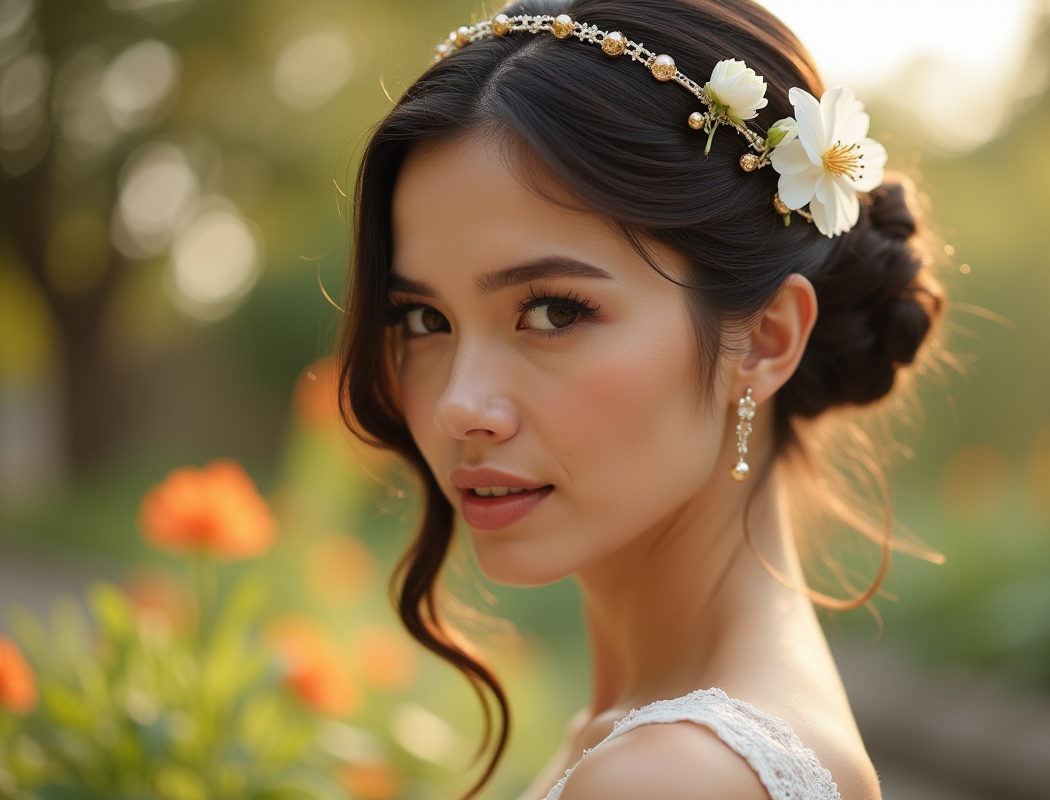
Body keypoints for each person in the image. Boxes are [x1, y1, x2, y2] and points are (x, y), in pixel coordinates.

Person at [339, 0, 944, 798]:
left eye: (554, 311)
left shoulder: (674, 776)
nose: (459, 403)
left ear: (764, 339)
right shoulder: (655, 745)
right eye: (424, 319)